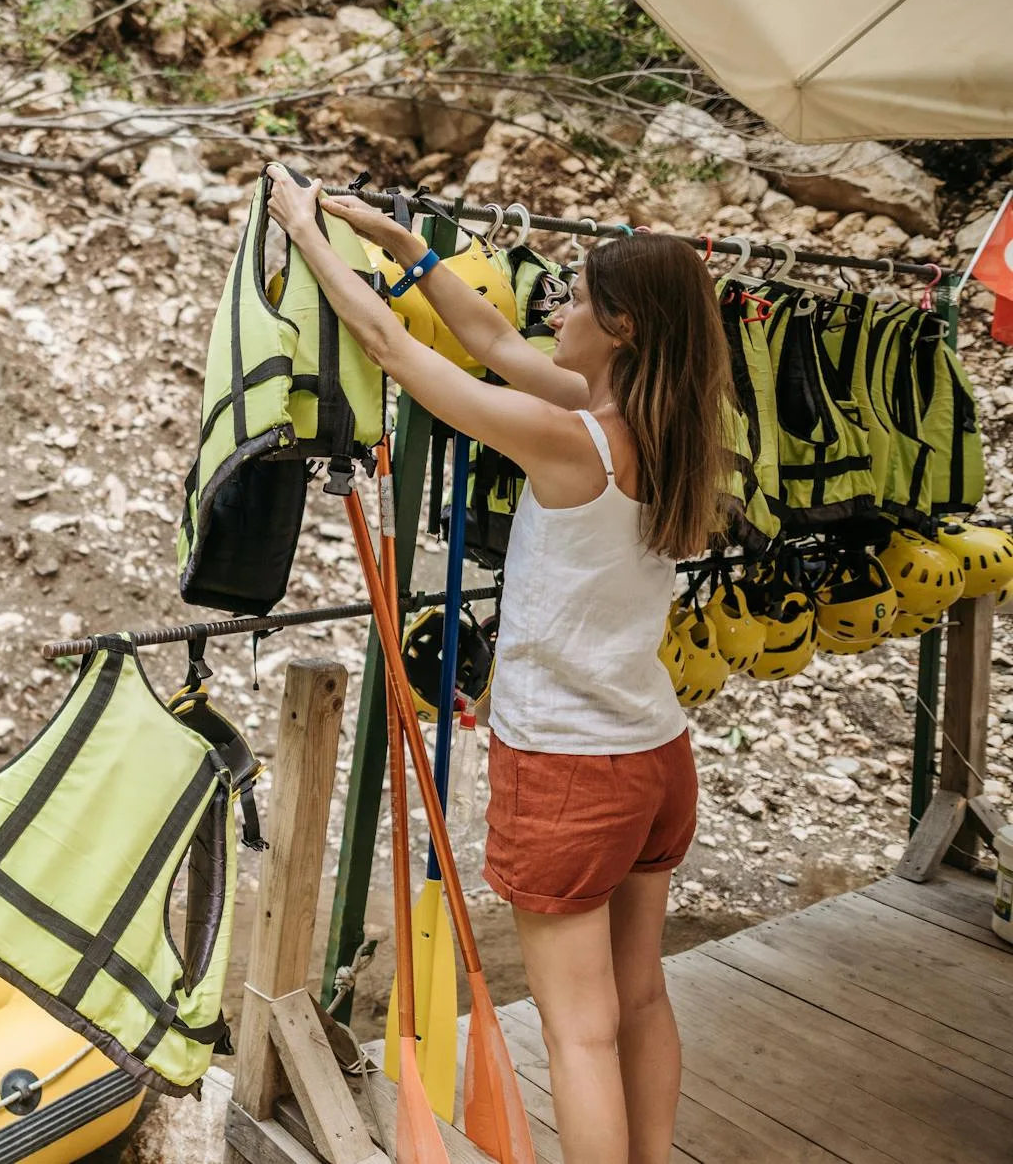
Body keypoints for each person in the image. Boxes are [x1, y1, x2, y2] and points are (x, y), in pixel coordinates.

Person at [264, 167, 729, 1164]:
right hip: (652, 754)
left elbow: (393, 352)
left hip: (567, 768)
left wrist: (305, 232)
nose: (554, 307)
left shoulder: (566, 438)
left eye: (576, 298)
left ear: (624, 329)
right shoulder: (654, 424)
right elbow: (488, 340)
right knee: (639, 996)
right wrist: (404, 247)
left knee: (578, 1030)